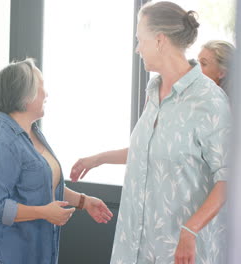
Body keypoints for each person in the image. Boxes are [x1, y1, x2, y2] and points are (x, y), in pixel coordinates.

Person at [70, 2, 230, 264]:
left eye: (139, 40)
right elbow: (151, 151)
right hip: (134, 245)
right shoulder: (153, 92)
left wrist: (191, 229)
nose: (137, 49)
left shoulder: (210, 101)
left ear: (159, 40)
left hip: (178, 251)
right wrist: (96, 159)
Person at [0, 58, 113, 264]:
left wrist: (84, 202)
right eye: (41, 87)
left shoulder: (33, 132)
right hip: (9, 254)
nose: (46, 94)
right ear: (25, 95)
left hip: (37, 249)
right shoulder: (2, 144)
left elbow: (41, 185)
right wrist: (44, 213)